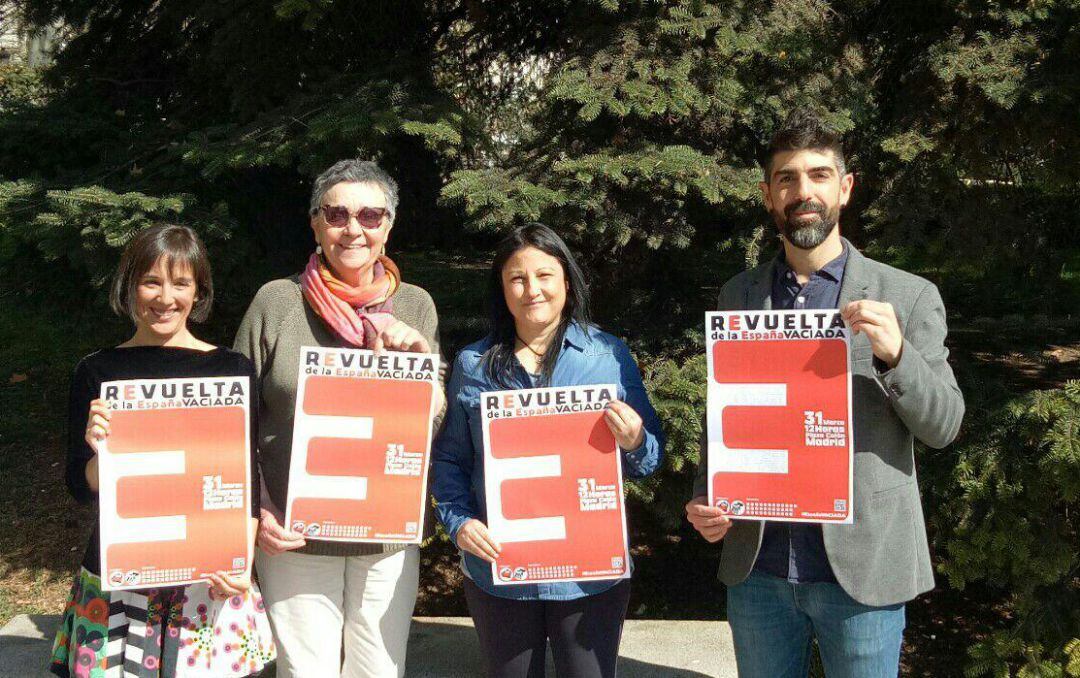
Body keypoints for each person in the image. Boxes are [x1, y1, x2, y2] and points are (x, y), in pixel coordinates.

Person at [685, 109, 965, 677]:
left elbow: (944, 426)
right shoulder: (739, 294)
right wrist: (706, 494)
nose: (803, 192)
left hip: (862, 574)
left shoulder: (907, 296)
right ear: (768, 195)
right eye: (787, 178)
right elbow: (727, 416)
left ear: (845, 187)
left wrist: (897, 355)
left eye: (818, 175)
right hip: (759, 572)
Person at [233, 159, 443, 678]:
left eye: (371, 216)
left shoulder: (416, 306)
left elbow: (432, 425)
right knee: (306, 671)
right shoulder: (276, 302)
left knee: (379, 672)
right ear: (315, 224)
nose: (354, 229)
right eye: (337, 214)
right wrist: (258, 509)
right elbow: (234, 421)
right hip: (293, 534)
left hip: (385, 536)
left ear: (388, 226)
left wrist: (420, 370)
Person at [432, 223, 664, 678]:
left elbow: (650, 458)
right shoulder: (473, 365)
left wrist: (635, 440)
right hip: (500, 573)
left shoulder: (608, 355)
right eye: (517, 278)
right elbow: (449, 459)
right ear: (502, 289)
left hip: (588, 576)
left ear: (567, 282)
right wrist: (459, 523)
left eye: (544, 275)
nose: (532, 289)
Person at [50, 223, 274, 678]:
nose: (165, 297)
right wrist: (100, 453)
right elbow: (80, 485)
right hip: (121, 577)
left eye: (181, 283)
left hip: (207, 578)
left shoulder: (231, 370)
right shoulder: (97, 371)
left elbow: (244, 479)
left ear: (199, 291)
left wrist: (242, 560)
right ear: (130, 286)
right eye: (151, 281)